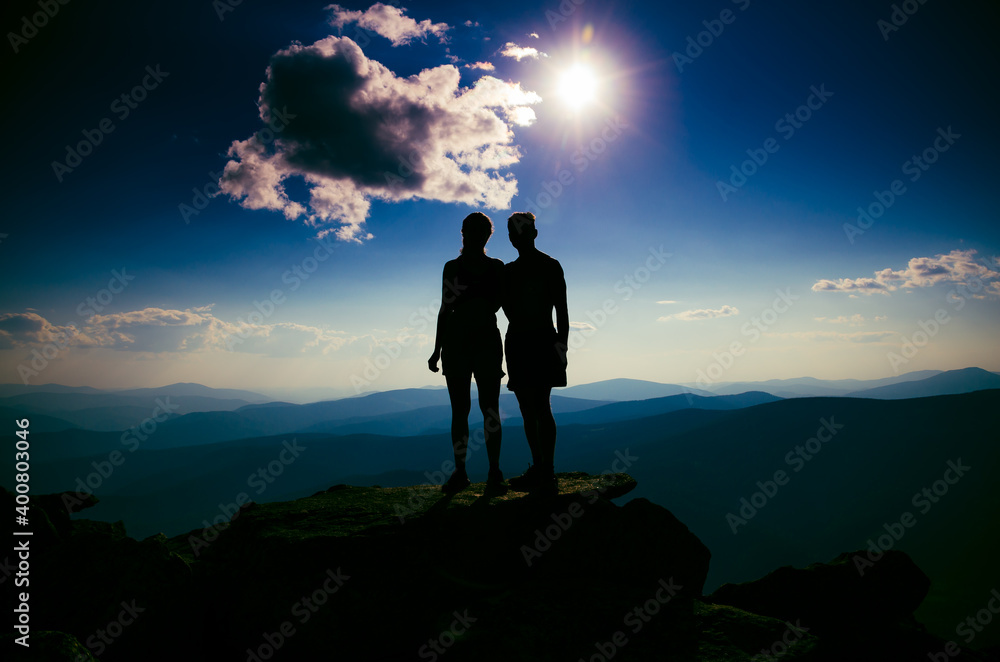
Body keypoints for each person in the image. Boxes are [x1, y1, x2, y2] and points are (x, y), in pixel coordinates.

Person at [428, 212, 507, 495]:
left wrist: (437, 349)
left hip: (463, 341)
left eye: (478, 232)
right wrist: (436, 349)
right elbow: (447, 308)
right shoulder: (494, 268)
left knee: (469, 410)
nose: (475, 236)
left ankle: (471, 472)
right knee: (482, 409)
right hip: (477, 340)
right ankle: (489, 472)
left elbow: (446, 308)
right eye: (473, 232)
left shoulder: (457, 267)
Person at [502, 212, 568, 496]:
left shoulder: (510, 271)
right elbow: (562, 312)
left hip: (522, 339)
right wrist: (561, 346)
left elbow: (507, 309)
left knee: (531, 408)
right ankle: (545, 469)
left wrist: (560, 345)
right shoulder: (550, 265)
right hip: (541, 338)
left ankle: (542, 467)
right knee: (540, 406)